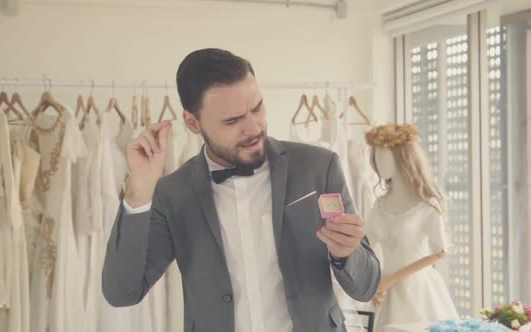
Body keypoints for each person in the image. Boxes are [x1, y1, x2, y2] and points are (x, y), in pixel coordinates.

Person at [102, 48, 381, 332]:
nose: (253, 127)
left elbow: (367, 285)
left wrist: (345, 254)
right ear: (192, 123)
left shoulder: (319, 167)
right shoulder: (173, 192)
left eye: (257, 107)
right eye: (232, 121)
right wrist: (140, 189)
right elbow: (122, 293)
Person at [363, 124, 459, 331]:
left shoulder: (426, 204)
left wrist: (392, 279)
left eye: (384, 155)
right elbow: (364, 246)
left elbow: (439, 252)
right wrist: (375, 283)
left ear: (402, 157)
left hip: (418, 291)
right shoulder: (379, 205)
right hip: (386, 290)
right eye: (376, 156)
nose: (378, 162)